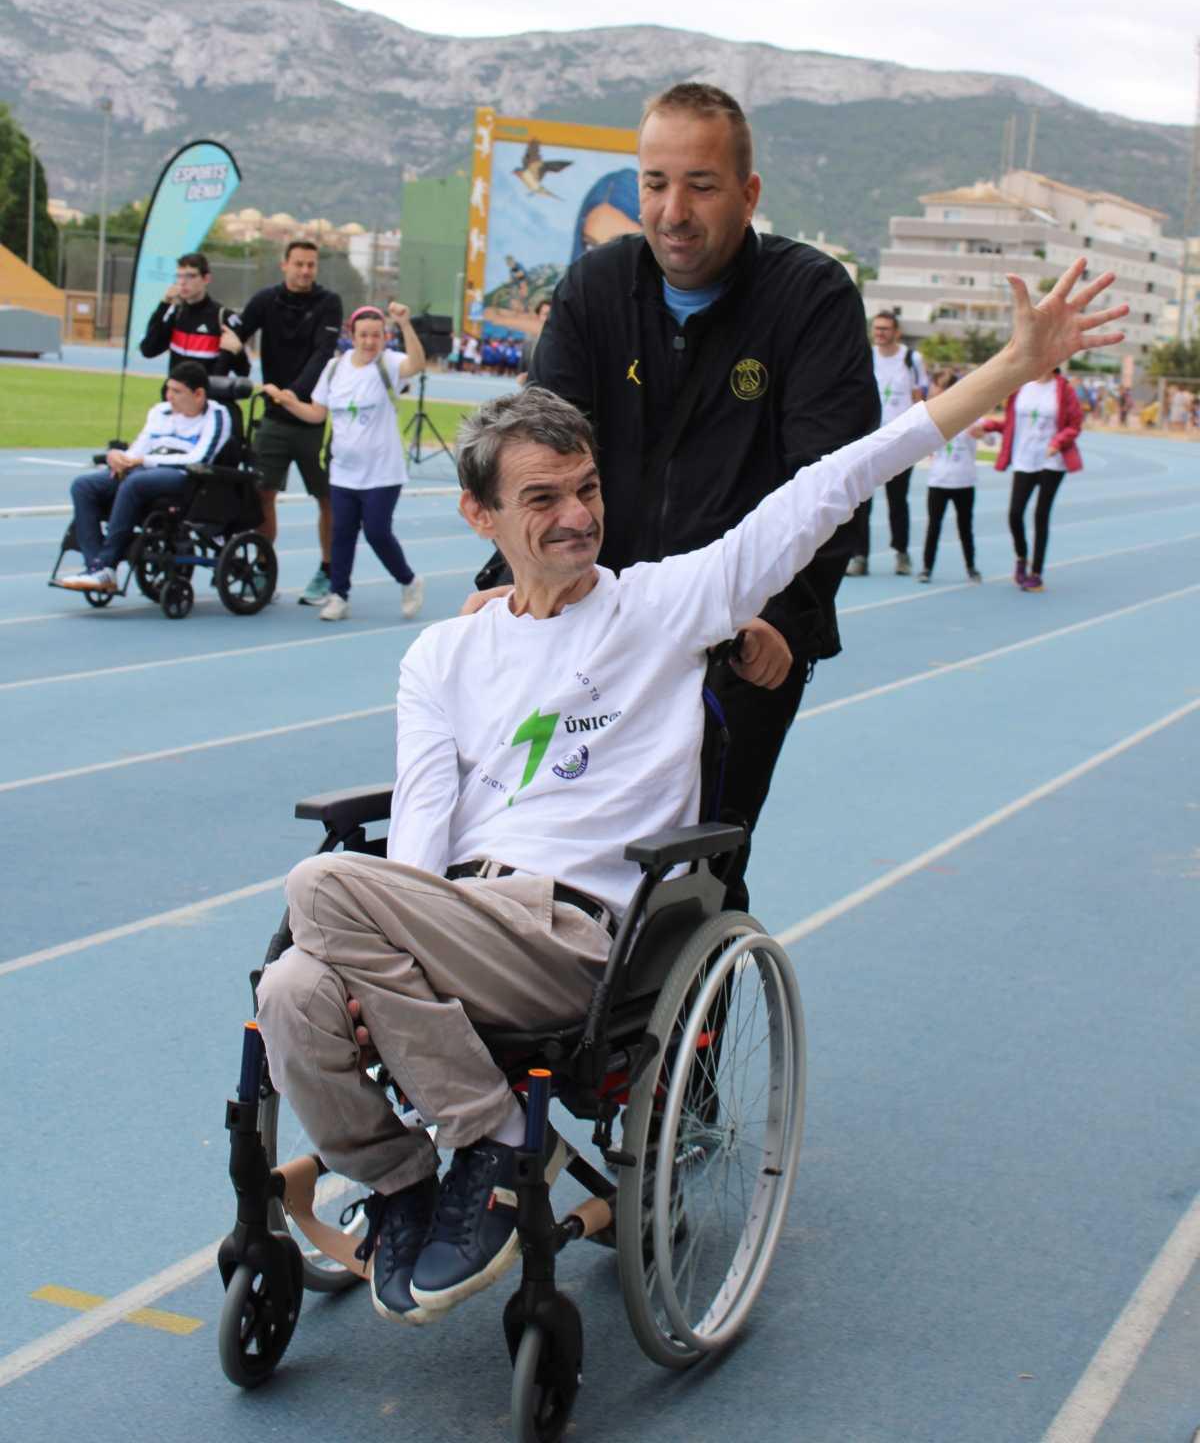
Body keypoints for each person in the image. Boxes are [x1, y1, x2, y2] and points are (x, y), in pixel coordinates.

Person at [254, 261, 1125, 1328]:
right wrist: (366, 968)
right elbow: (423, 844)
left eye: (587, 489)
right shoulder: (441, 656)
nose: (577, 517)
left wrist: (1009, 368)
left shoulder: (667, 605)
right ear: (480, 515)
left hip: (577, 935)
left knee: (319, 887)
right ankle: (401, 1186)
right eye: (542, 500)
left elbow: (831, 485)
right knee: (294, 986)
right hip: (456, 919)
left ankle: (489, 1141)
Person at [494, 82, 881, 882]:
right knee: (543, 838)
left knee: (692, 870)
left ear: (749, 194)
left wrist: (782, 620)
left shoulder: (809, 298)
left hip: (736, 629)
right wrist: (508, 587)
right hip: (600, 617)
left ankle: (698, 1000)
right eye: (655, 183)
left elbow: (830, 482)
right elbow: (537, 454)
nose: (673, 210)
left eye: (701, 186)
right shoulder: (595, 290)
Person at [266, 303, 426, 623]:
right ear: (351, 335)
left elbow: (417, 364)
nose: (369, 342)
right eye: (363, 335)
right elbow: (316, 414)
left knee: (378, 531)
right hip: (343, 472)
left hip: (383, 471)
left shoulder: (389, 363)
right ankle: (339, 595)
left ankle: (408, 581)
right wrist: (288, 402)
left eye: (376, 335)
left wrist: (406, 325)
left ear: (384, 337)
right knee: (342, 533)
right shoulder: (334, 369)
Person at [220, 240, 343, 604]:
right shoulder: (265, 301)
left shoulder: (329, 303)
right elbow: (235, 337)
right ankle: (261, 565)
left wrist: (292, 395)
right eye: (299, 264)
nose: (305, 271)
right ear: (284, 265)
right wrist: (230, 353)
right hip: (272, 418)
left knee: (327, 498)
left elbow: (323, 353)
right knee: (262, 495)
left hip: (311, 416)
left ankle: (328, 569)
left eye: (311, 265)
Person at [56, 363, 232, 593]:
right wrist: (120, 458)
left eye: (177, 392)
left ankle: (105, 564)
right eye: (168, 389)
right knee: (84, 486)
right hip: (144, 470)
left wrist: (144, 461)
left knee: (134, 482)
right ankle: (96, 568)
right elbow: (141, 446)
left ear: (199, 394)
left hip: (185, 478)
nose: (169, 396)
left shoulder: (217, 415)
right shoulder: (159, 411)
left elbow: (200, 458)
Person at [982, 365, 1084, 591]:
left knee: (1041, 515)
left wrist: (1057, 442)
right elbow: (1012, 424)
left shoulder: (1063, 389)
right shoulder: (1021, 386)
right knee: (1015, 513)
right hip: (1024, 459)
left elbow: (1074, 424)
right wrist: (989, 426)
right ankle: (1021, 557)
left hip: (1052, 460)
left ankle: (1036, 573)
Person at [845, 310, 928, 577]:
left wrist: (920, 437)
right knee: (861, 503)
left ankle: (901, 553)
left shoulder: (911, 359)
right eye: (876, 328)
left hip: (900, 443)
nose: (879, 333)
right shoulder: (866, 356)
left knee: (897, 502)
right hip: (869, 440)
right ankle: (859, 556)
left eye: (885, 329)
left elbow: (920, 400)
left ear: (896, 332)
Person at [917, 368, 986, 584]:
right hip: (938, 481)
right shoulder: (930, 415)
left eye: (937, 386)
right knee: (934, 526)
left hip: (964, 481)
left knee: (965, 527)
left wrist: (981, 433)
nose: (933, 390)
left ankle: (971, 567)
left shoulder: (971, 413)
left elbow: (989, 437)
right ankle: (927, 568)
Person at [138, 251, 239, 379]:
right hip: (175, 396)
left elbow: (244, 370)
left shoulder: (223, 316)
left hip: (206, 397)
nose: (182, 282)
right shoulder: (176, 313)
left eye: (190, 276)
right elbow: (148, 350)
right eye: (179, 276)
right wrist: (164, 304)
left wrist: (237, 352)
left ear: (206, 279)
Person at [515, 298, 552, 385]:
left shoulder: (562, 341)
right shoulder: (528, 340)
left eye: (552, 314)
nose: (549, 318)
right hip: (531, 390)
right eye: (546, 314)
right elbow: (522, 368)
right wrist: (522, 376)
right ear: (538, 316)